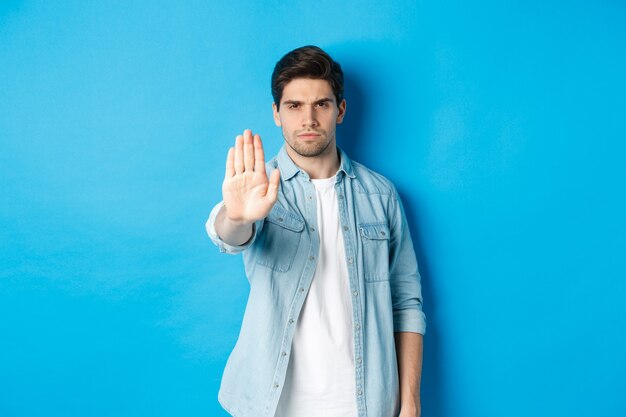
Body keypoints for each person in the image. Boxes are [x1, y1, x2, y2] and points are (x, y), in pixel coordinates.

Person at [206, 45, 426, 417]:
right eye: (294, 106)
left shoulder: (381, 195)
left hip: (366, 402)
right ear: (276, 113)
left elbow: (406, 303)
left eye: (321, 104)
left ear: (340, 110)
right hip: (272, 404)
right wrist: (238, 216)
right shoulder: (260, 188)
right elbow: (227, 234)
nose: (308, 118)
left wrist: (410, 402)